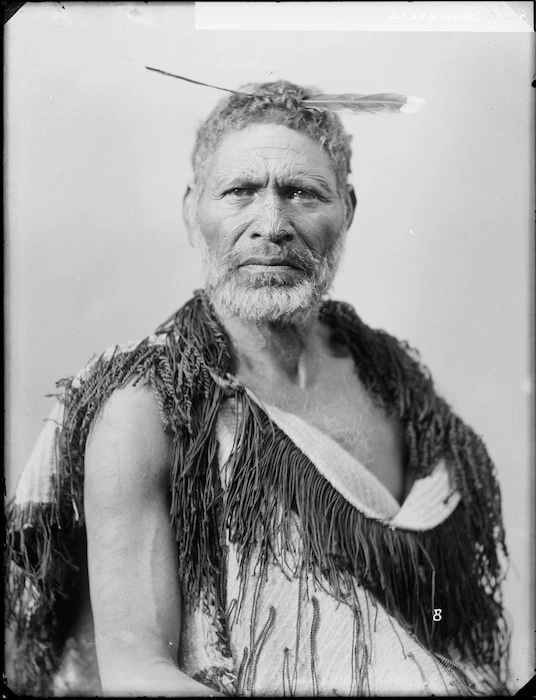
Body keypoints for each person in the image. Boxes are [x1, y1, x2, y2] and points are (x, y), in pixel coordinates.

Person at [5, 80, 511, 697]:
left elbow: (440, 620)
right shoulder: (145, 409)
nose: (272, 225)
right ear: (194, 209)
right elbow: (139, 676)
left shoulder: (391, 381)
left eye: (302, 194)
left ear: (347, 209)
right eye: (241, 191)